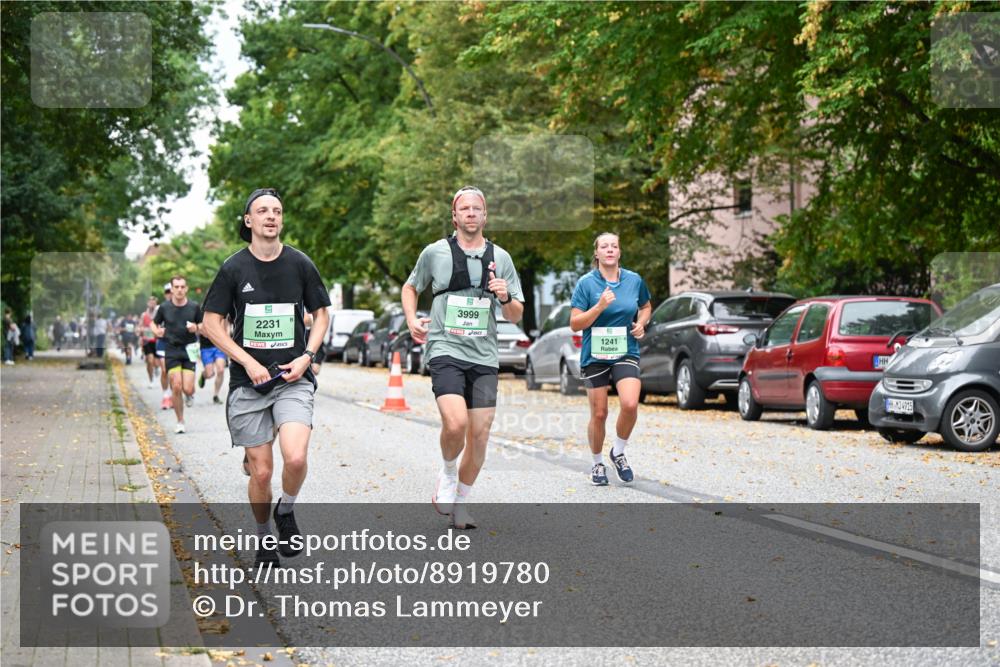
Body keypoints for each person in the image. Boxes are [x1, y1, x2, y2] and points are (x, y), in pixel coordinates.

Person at [201, 187, 330, 569]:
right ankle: (263, 539)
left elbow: (321, 313)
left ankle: (286, 510)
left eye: (277, 211)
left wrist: (308, 356)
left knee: (295, 456)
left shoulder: (300, 264)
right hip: (249, 384)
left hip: (293, 377)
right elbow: (211, 323)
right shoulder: (233, 268)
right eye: (262, 211)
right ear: (249, 220)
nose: (271, 216)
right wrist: (247, 361)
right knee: (261, 470)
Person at [402, 186, 524, 530]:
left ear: (485, 216)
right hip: (445, 348)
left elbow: (516, 314)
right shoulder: (435, 253)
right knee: (455, 424)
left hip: (484, 354)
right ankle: (448, 470)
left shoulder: (502, 259)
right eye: (464, 209)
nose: (471, 214)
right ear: (454, 216)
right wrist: (412, 318)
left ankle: (461, 504)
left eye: (477, 209)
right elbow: (411, 287)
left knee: (480, 433)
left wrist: (504, 296)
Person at [569, 232, 652, 486]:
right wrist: (599, 307)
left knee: (629, 404)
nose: (609, 250)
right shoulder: (586, 283)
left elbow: (645, 306)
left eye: (614, 246)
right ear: (596, 253)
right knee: (599, 413)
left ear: (619, 252)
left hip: (625, 351)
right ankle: (596, 463)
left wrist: (641, 323)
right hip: (595, 355)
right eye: (604, 246)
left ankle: (618, 451)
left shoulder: (634, 280)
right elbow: (574, 323)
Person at [152, 276, 202, 434]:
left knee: (187, 388)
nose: (179, 290)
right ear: (172, 289)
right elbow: (154, 323)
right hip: (172, 349)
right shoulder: (164, 308)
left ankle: (190, 395)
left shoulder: (194, 307)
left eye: (182, 287)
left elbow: (203, 324)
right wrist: (156, 331)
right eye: (176, 287)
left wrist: (196, 327)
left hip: (190, 349)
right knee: (176, 386)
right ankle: (180, 421)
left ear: (186, 289)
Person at [197, 319, 228, 405]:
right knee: (210, 374)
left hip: (219, 346)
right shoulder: (202, 312)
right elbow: (200, 330)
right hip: (206, 348)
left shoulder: (223, 310)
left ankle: (216, 395)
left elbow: (225, 328)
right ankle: (204, 375)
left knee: (221, 370)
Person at [156, 284, 172, 409]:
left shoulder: (183, 306)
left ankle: (173, 395)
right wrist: (158, 330)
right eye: (167, 292)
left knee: (174, 372)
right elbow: (154, 324)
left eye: (171, 291)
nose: (169, 294)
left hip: (177, 344)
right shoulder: (160, 308)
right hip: (163, 343)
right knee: (165, 370)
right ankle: (166, 396)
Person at [140, 297, 159, 387]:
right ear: (148, 303)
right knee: (150, 361)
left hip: (157, 340)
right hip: (147, 340)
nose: (152, 304)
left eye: (154, 303)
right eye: (150, 303)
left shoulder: (159, 314)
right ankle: (151, 380)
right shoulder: (144, 315)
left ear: (156, 304)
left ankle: (156, 368)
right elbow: (140, 327)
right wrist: (142, 330)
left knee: (156, 362)